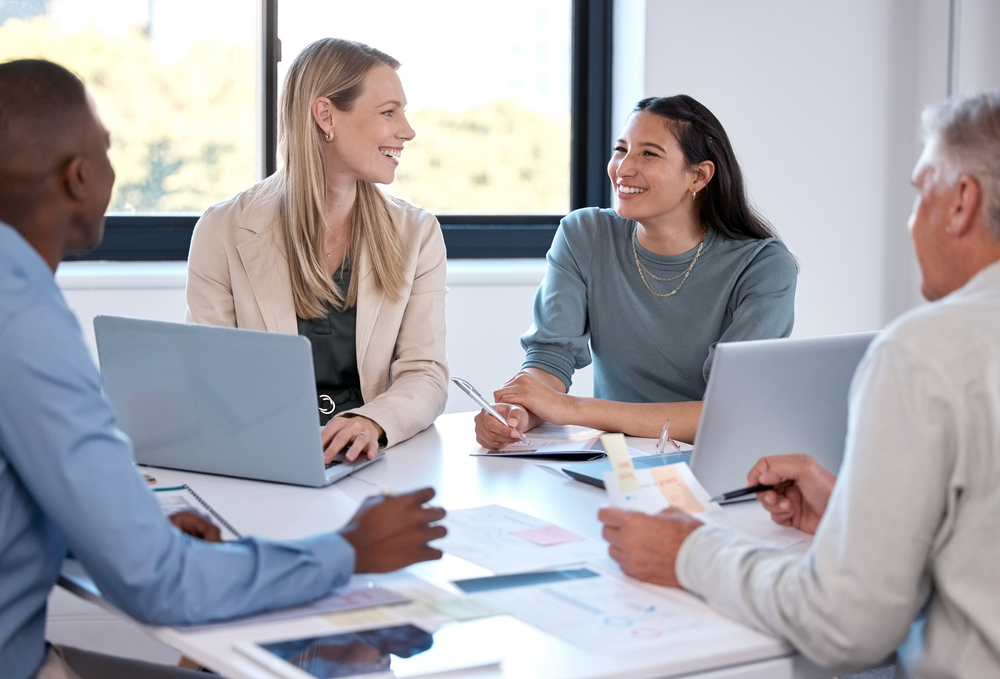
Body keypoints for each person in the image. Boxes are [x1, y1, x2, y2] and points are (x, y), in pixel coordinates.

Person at [0, 59, 447, 679]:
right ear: (79, 177)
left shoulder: (19, 304)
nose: (408, 130)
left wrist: (127, 524)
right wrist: (347, 552)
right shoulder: (27, 326)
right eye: (108, 149)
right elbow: (162, 586)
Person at [598, 91, 1000, 678]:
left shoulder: (923, 353)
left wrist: (688, 551)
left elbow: (848, 625)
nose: (913, 222)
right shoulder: (591, 236)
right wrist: (853, 517)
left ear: (962, 201)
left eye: (920, 194)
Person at [475, 95, 796, 449]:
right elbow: (551, 357)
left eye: (649, 154)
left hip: (712, 459)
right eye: (621, 149)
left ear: (699, 176)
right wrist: (520, 410)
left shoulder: (762, 266)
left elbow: (729, 410)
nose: (622, 169)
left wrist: (571, 408)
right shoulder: (584, 234)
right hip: (617, 460)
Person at [186, 38, 448, 463]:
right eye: (388, 112)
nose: (407, 131)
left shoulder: (417, 233)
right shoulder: (222, 230)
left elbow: (425, 372)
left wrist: (372, 422)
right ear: (326, 115)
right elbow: (211, 374)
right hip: (263, 453)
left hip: (366, 458)